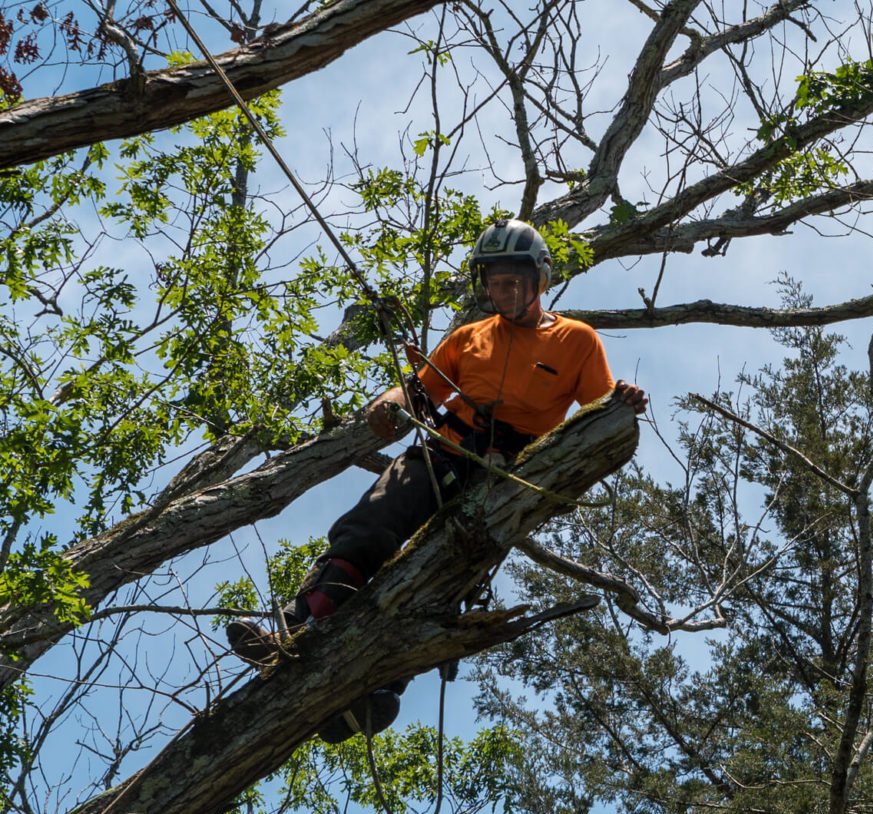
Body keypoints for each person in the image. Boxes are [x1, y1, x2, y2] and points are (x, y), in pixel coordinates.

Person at [225, 218, 648, 742]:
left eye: (514, 278)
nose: (504, 289)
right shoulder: (467, 338)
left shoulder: (576, 341)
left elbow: (599, 412)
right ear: (483, 285)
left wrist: (623, 404)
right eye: (494, 280)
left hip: (508, 474)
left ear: (540, 279)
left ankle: (376, 692)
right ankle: (295, 626)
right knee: (370, 524)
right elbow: (419, 393)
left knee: (444, 571)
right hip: (443, 450)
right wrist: (388, 404)